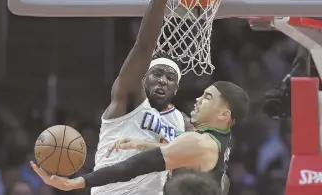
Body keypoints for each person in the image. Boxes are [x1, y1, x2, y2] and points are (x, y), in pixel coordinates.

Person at [31, 0, 198, 195]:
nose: (162, 80)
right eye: (156, 74)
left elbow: (194, 167)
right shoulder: (127, 100)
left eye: (170, 77)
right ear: (143, 78)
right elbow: (143, 47)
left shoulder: (183, 123)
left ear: (177, 89)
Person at [31, 81, 249, 195]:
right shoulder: (220, 138)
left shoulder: (198, 142)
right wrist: (142, 143)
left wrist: (76, 182)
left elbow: (133, 167)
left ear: (224, 115)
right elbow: (185, 153)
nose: (198, 99)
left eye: (207, 97)